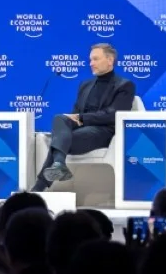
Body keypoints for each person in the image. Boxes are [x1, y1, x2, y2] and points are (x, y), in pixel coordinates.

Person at [32, 43, 136, 191]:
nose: (91, 63)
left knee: (59, 141)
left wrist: (82, 118)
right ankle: (59, 164)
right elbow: (76, 112)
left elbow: (114, 115)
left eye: (95, 59)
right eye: (90, 60)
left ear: (110, 60)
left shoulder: (124, 85)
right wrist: (72, 119)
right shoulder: (85, 84)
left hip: (104, 132)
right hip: (82, 128)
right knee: (59, 118)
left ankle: (38, 188)